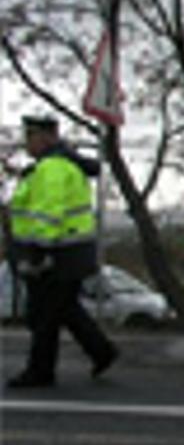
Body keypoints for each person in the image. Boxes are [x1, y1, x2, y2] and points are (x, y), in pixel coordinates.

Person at [6, 114, 118, 389]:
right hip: (71, 253)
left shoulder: (52, 168)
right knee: (63, 309)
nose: (27, 143)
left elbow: (48, 216)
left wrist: (37, 253)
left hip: (56, 255)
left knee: (44, 315)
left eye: (30, 137)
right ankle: (101, 351)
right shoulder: (60, 165)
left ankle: (40, 371)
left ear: (45, 138)